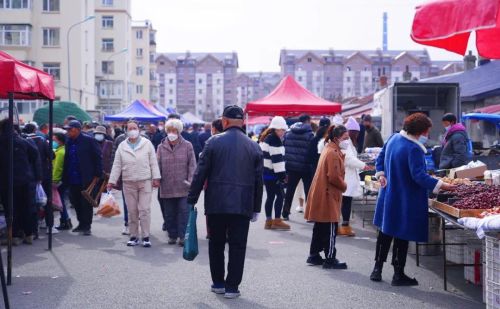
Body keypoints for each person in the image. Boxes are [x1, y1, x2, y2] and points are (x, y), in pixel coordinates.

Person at [370, 113, 456, 286]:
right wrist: (440, 184)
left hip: (388, 195)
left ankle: (377, 269)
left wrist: (381, 175)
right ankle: (398, 274)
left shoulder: (394, 138)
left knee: (385, 232)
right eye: (427, 131)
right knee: (402, 234)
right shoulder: (414, 149)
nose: (427, 135)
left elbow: (380, 158)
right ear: (420, 131)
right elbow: (418, 176)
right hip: (405, 198)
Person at [187, 105, 263, 299]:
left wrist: (192, 198)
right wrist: (256, 207)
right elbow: (258, 180)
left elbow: (200, 172)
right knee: (238, 245)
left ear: (225, 121)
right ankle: (232, 287)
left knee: (216, 243)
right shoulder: (254, 146)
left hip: (216, 202)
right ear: (243, 122)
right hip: (242, 203)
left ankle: (218, 282)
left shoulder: (213, 142)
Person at [108, 120, 161, 248]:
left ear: (139, 129)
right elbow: (117, 165)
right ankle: (133, 236)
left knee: (144, 210)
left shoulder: (147, 143)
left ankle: (146, 236)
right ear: (126, 130)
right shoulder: (122, 146)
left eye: (134, 128)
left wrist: (156, 177)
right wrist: (112, 180)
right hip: (128, 181)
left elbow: (153, 161)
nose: (132, 130)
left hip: (145, 181)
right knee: (132, 211)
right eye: (130, 128)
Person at [305, 125, 349, 269]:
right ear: (337, 138)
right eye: (345, 138)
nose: (347, 141)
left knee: (320, 225)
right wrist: (344, 185)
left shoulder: (328, 148)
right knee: (330, 226)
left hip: (322, 193)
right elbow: (334, 177)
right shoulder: (333, 153)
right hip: (328, 194)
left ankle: (314, 255)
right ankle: (330, 258)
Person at [0, 120, 42, 245]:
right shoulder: (23, 141)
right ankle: (28, 234)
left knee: (10, 209)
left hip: (6, 181)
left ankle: (14, 236)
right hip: (25, 179)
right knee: (26, 207)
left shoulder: (1, 141)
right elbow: (35, 154)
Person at [157, 119, 196, 246]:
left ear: (179, 131)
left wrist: (190, 181)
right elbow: (157, 165)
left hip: (183, 186)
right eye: (169, 131)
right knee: (169, 214)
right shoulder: (161, 147)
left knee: (183, 213)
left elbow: (192, 165)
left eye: (174, 131)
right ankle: (172, 235)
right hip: (166, 186)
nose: (171, 133)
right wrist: (156, 179)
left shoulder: (187, 145)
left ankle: (182, 237)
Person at [62, 120, 102, 236]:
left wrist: (97, 174)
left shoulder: (89, 141)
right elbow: (67, 159)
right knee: (75, 201)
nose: (68, 132)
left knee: (86, 202)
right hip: (72, 176)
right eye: (67, 130)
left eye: (70, 129)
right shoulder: (68, 141)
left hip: (86, 177)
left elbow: (97, 157)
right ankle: (80, 223)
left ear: (77, 129)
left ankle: (87, 225)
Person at [338, 117, 371, 237]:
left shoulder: (347, 142)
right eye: (356, 133)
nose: (358, 135)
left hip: (347, 175)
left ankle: (342, 225)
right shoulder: (346, 143)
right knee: (345, 202)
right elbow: (348, 159)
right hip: (346, 176)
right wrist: (363, 166)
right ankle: (344, 227)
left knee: (345, 202)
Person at [23, 123, 55, 235]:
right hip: (44, 175)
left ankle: (33, 228)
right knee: (47, 201)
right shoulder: (42, 141)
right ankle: (49, 225)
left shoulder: (23, 141)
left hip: (28, 176)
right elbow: (52, 155)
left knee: (32, 203)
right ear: (35, 129)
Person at [259, 116, 290, 231]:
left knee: (271, 197)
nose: (284, 132)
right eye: (283, 130)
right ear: (277, 129)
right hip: (274, 173)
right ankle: (277, 220)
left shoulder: (267, 138)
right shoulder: (275, 140)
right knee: (280, 196)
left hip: (267, 173)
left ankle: (269, 221)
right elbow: (277, 161)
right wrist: (282, 176)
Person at [282, 114, 314, 219]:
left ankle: (285, 213)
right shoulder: (310, 134)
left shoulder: (288, 133)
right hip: (306, 167)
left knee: (290, 191)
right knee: (308, 191)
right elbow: (312, 152)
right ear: (308, 121)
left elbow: (284, 148)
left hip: (291, 166)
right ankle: (309, 215)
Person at [52, 132, 73, 230]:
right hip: (65, 179)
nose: (53, 141)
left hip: (59, 180)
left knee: (60, 202)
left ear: (60, 141)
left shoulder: (60, 152)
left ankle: (65, 221)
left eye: (55, 140)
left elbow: (58, 168)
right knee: (62, 201)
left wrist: (54, 180)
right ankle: (66, 220)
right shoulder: (63, 150)